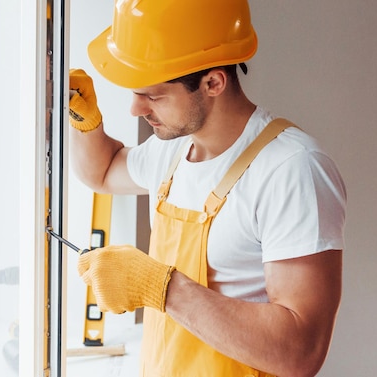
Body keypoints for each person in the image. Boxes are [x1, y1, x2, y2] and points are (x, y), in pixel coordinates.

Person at [70, 0, 346, 376]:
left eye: (152, 95)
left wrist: (160, 287)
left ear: (213, 82)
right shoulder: (173, 148)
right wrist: (85, 122)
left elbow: (299, 353)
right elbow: (102, 172)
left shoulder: (291, 169)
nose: (135, 109)